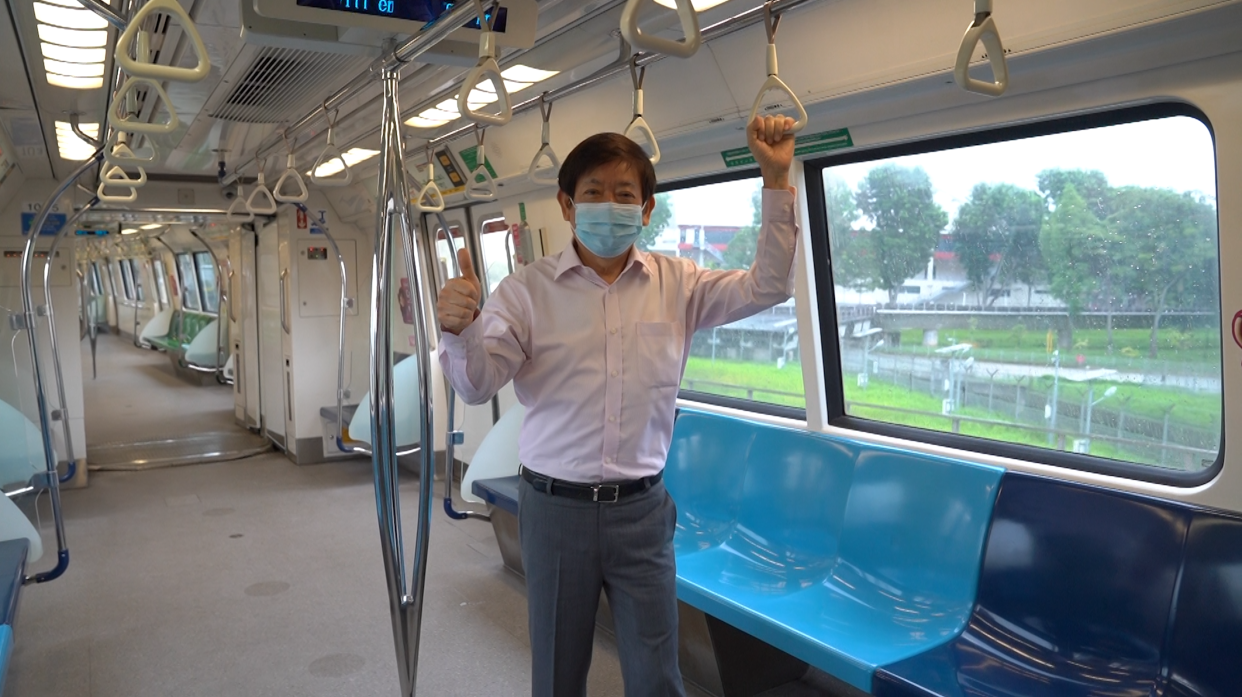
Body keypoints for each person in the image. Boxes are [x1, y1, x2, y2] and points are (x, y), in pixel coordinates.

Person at [437, 115, 798, 697]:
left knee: (658, 677)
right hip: (555, 510)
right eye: (594, 193)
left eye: (624, 194)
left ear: (647, 208)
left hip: (642, 512)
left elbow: (768, 286)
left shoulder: (679, 285)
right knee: (557, 674)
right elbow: (477, 384)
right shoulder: (526, 292)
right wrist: (459, 332)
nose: (610, 205)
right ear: (566, 204)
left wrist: (776, 180)